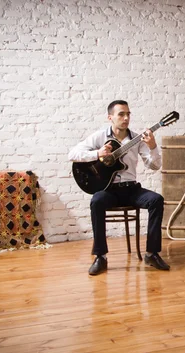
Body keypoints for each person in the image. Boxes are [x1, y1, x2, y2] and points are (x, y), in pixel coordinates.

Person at [68, 100, 171, 275]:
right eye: (121, 114)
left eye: (128, 114)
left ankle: (152, 253)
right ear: (110, 117)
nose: (126, 118)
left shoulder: (137, 139)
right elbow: (73, 154)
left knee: (156, 200)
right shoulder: (100, 137)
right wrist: (97, 153)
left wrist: (153, 147)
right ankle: (101, 257)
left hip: (132, 190)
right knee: (97, 201)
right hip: (109, 191)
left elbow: (154, 166)